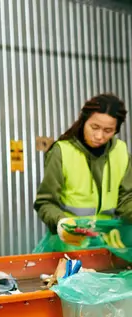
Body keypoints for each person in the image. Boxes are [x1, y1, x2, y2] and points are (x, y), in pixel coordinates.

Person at [34, 93, 130, 247]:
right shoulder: (61, 151)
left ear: (116, 130)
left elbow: (126, 199)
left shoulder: (121, 151)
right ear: (83, 121)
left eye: (108, 130)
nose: (99, 136)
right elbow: (45, 202)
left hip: (107, 246)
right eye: (95, 127)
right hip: (70, 245)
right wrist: (61, 222)